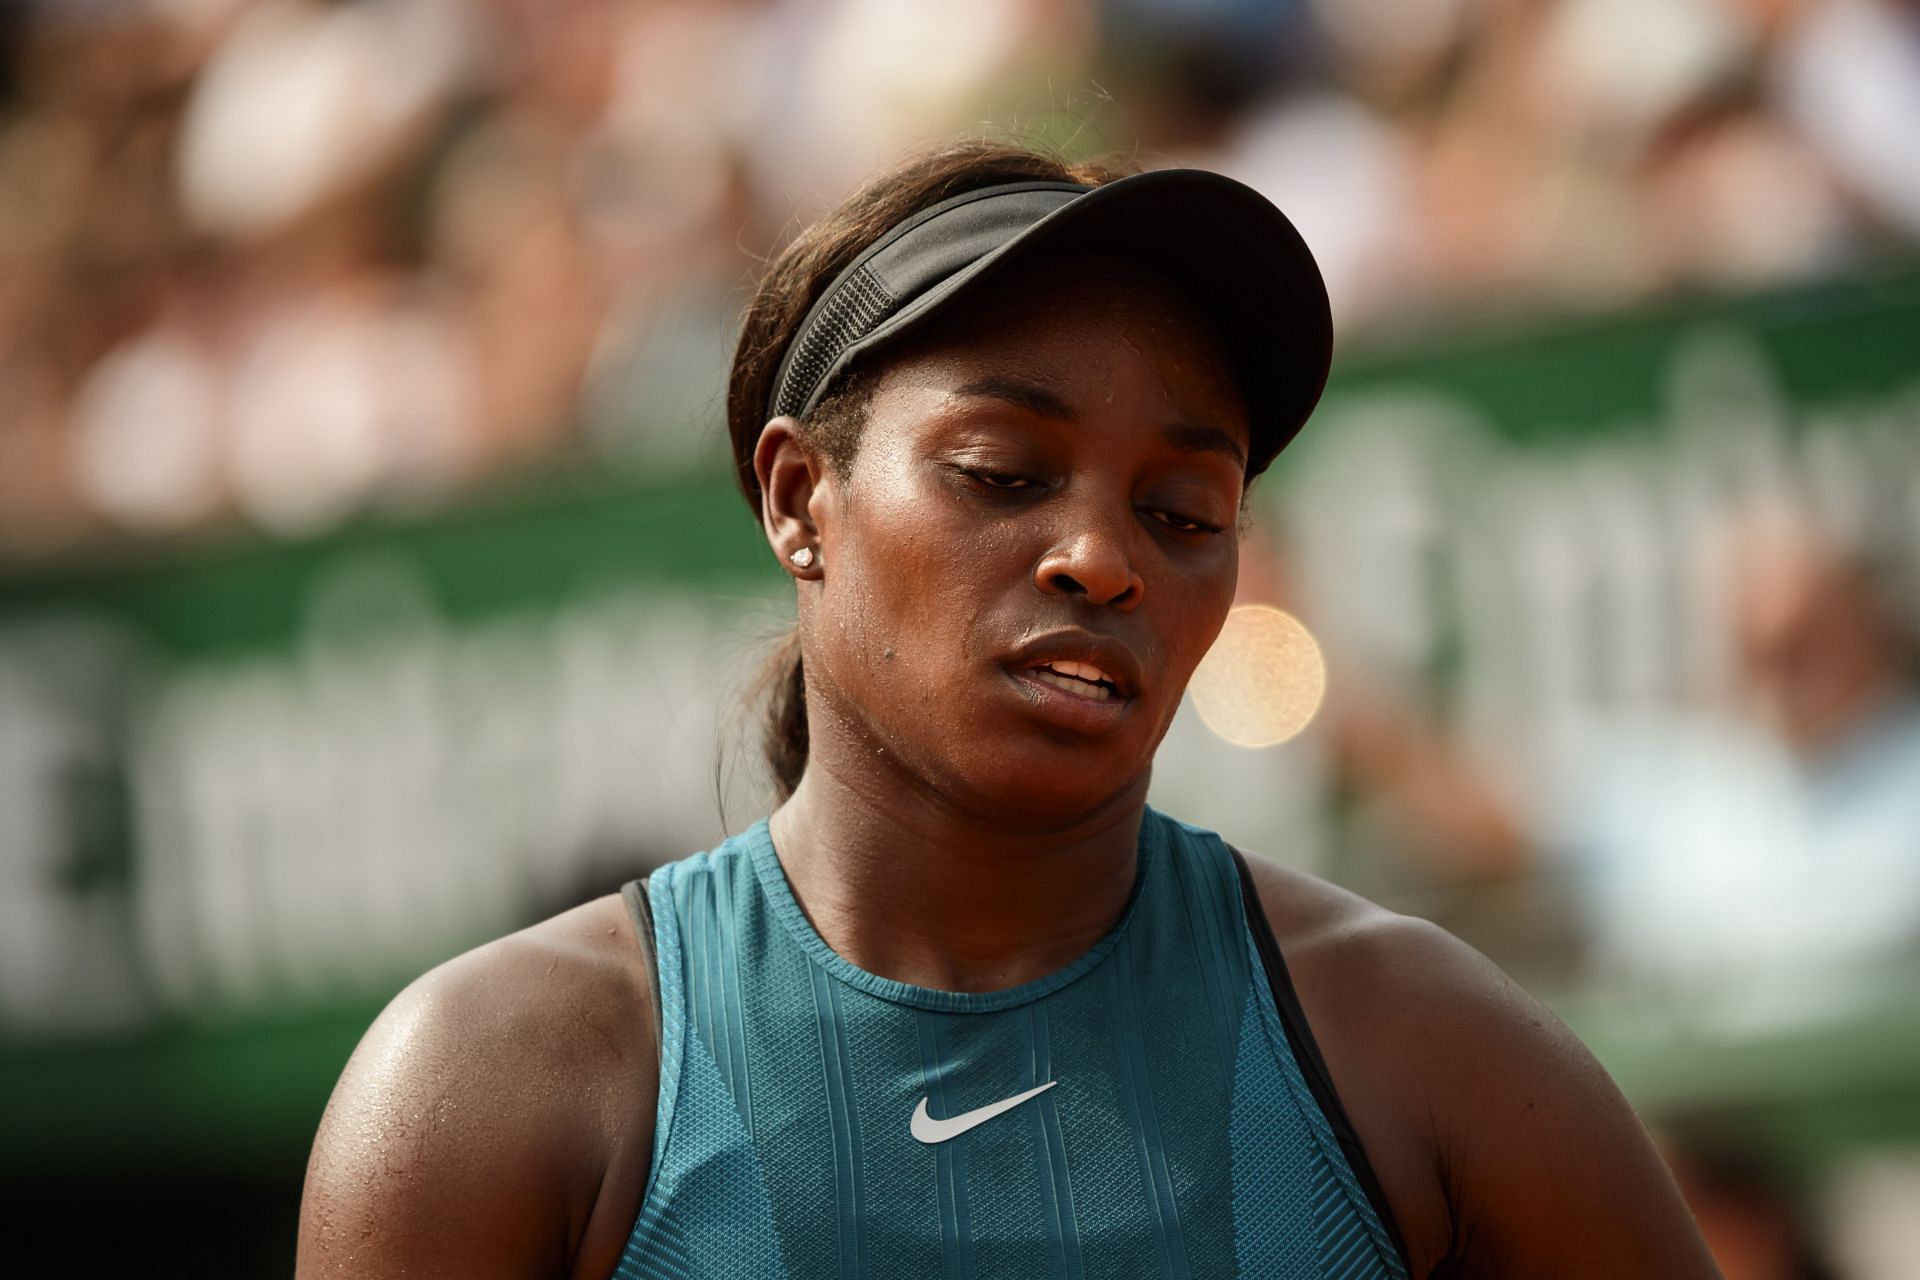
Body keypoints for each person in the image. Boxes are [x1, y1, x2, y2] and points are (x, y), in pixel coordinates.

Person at [295, 141, 1719, 1278]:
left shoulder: (1432, 1052)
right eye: (1003, 472)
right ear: (802, 501)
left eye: (1181, 510)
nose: (1103, 558)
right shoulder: (493, 1086)